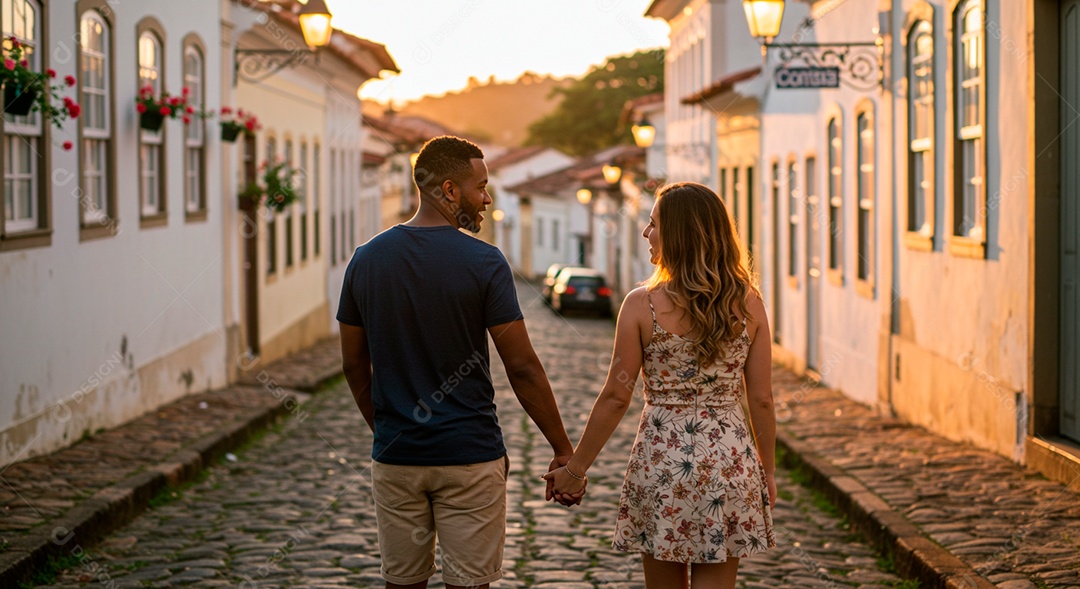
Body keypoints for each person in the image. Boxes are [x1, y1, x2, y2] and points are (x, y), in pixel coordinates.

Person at [338, 135, 577, 589]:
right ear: (449, 190)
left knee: (401, 584)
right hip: (469, 459)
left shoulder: (365, 261)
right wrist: (562, 449)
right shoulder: (484, 262)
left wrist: (386, 429)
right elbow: (522, 367)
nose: (487, 198)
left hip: (397, 460)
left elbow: (353, 363)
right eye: (481, 186)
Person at [544, 182, 777, 589]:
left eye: (653, 224)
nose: (645, 233)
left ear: (679, 234)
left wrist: (575, 470)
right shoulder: (749, 303)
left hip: (664, 462)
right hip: (731, 462)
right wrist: (767, 472)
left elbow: (618, 396)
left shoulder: (641, 305)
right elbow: (761, 398)